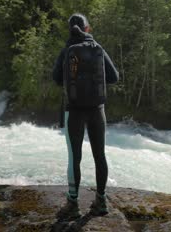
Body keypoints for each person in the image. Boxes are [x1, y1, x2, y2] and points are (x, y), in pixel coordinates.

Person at [52, 13, 119, 221]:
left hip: (74, 111)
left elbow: (55, 79)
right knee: (100, 155)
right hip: (97, 110)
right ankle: (101, 201)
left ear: (70, 29)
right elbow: (114, 77)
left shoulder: (67, 50)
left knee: (75, 158)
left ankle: (73, 204)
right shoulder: (97, 47)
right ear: (87, 29)